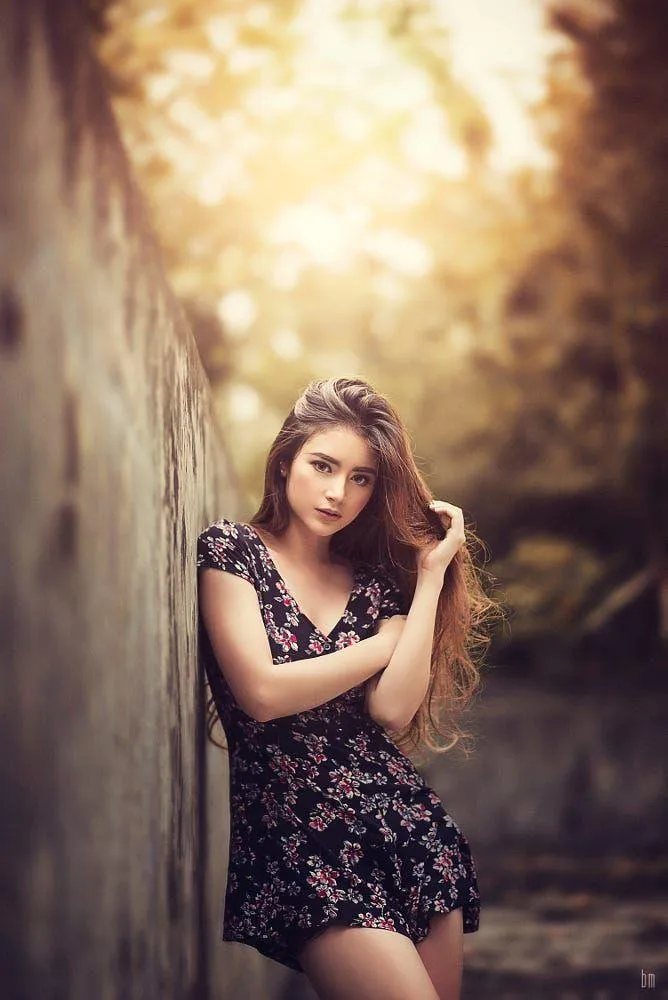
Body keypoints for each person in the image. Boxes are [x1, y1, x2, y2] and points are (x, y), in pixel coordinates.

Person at [197, 376, 499, 1000]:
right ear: (284, 462)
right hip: (302, 836)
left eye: (361, 478)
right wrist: (383, 644)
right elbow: (261, 692)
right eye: (323, 465)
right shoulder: (233, 551)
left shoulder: (378, 586)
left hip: (407, 829)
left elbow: (390, 709)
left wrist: (431, 578)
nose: (338, 493)